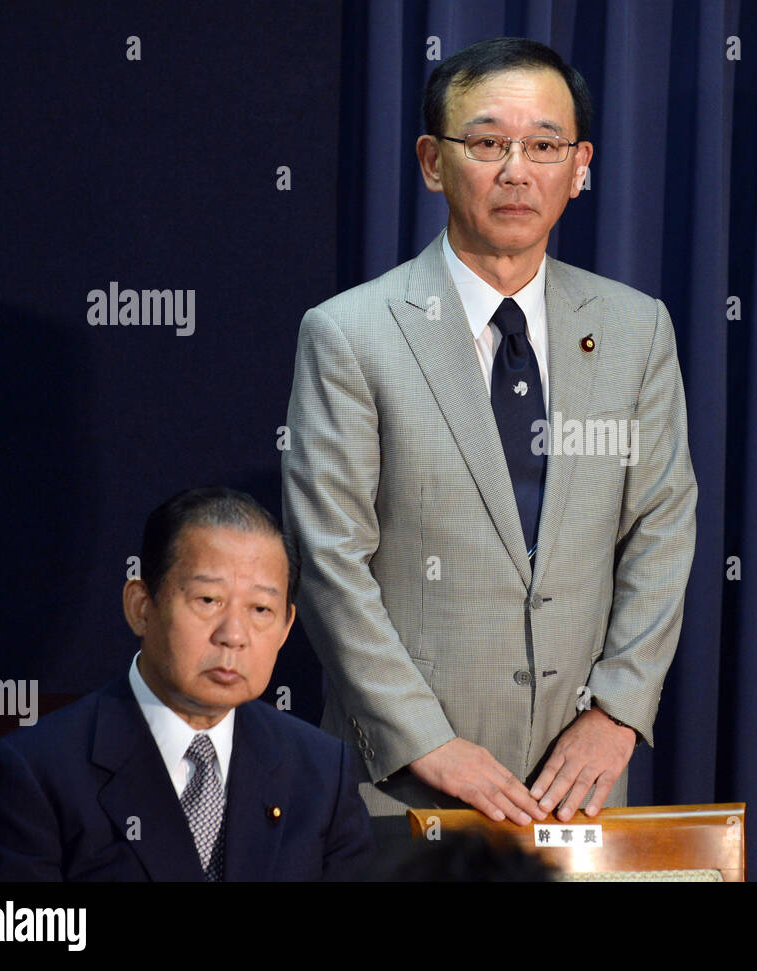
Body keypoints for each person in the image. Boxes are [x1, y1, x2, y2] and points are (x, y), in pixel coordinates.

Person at [282, 37, 696, 828]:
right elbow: (329, 559)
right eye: (486, 142)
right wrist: (426, 740)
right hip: (403, 784)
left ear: (579, 167)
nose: (516, 169)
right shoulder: (351, 333)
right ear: (433, 162)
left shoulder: (636, 328)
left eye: (543, 145)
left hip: (581, 782)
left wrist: (616, 714)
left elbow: (661, 528)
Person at [0, 487, 374, 881]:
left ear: (285, 628)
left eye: (260, 609)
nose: (234, 634)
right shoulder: (36, 772)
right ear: (141, 607)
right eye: (208, 600)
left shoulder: (322, 772)